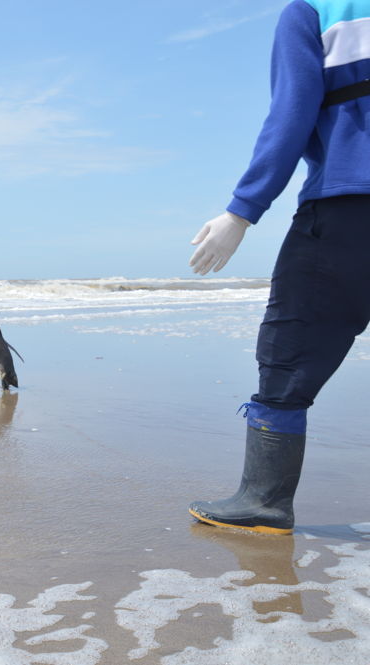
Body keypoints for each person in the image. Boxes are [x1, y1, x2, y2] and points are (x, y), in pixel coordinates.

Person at [187, 0, 370, 534]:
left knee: (289, 352)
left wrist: (243, 210)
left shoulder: (316, 11)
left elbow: (292, 112)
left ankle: (264, 500)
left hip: (347, 209)